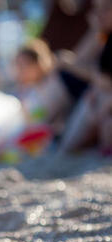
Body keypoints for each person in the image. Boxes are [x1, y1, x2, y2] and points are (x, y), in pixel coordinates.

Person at [60, 0, 112, 153]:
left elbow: (105, 81)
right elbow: (80, 59)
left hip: (104, 101)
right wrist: (96, 31)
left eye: (105, 9)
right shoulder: (104, 36)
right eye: (96, 10)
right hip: (99, 98)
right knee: (67, 146)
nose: (97, 15)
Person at [13, 39, 56, 123]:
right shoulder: (31, 89)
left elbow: (40, 117)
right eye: (17, 65)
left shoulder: (52, 86)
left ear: (38, 64)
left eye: (23, 65)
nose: (19, 71)